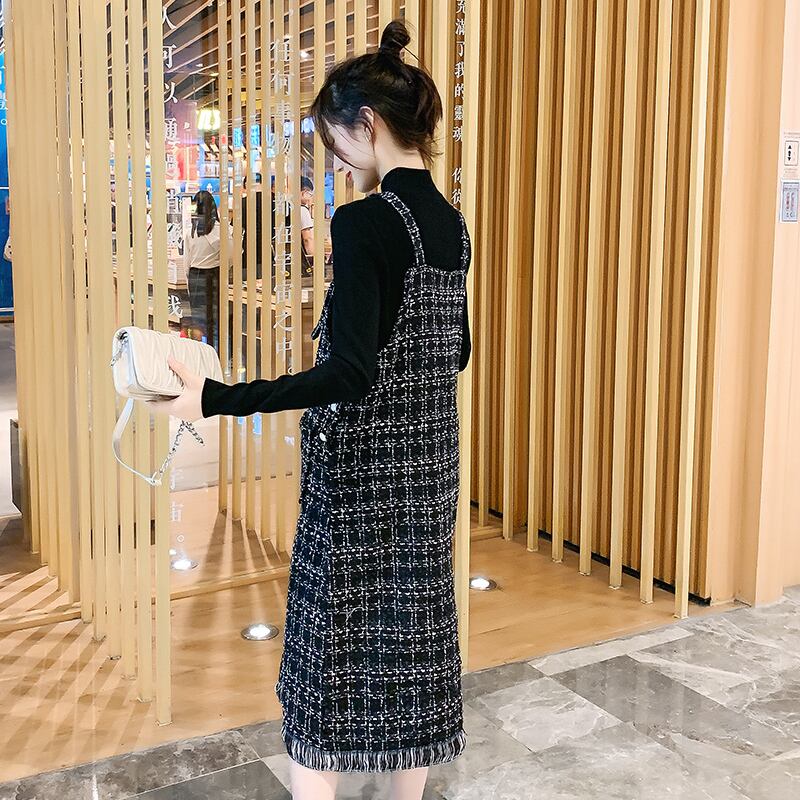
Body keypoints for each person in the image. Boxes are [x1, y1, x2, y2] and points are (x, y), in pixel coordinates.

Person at [147, 18, 471, 800]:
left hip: (358, 482)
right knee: (412, 650)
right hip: (428, 473)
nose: (338, 160)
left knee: (328, 662)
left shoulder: (363, 222)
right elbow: (455, 351)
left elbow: (348, 375)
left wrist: (215, 397)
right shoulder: (450, 223)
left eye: (336, 143)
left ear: (368, 125)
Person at [185, 190, 230, 353]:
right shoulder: (222, 230)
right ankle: (217, 356)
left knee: (198, 322)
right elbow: (230, 257)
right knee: (216, 322)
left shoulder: (191, 231)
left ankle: (200, 357)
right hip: (214, 276)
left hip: (195, 277)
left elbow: (186, 262)